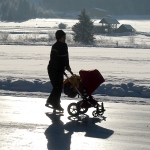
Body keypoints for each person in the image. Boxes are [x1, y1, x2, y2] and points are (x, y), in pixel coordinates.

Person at [46, 30, 71, 111]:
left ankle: (50, 101)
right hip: (53, 69)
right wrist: (59, 68)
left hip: (60, 69)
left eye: (65, 37)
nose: (65, 38)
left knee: (58, 86)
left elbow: (66, 57)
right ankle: (55, 104)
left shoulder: (65, 46)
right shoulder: (55, 47)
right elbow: (53, 60)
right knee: (57, 87)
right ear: (59, 38)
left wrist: (67, 66)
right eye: (63, 37)